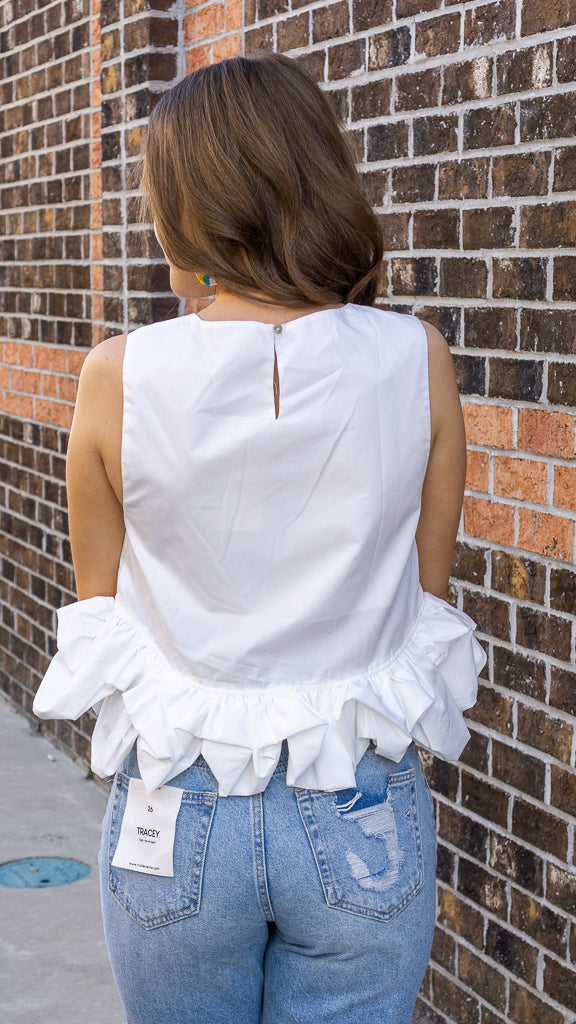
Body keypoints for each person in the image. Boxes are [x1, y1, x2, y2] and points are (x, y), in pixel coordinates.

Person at [33, 51, 486, 1024]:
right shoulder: (418, 359)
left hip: (178, 801)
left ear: (185, 205)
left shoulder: (118, 374)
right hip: (361, 798)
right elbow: (425, 602)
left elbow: (103, 615)